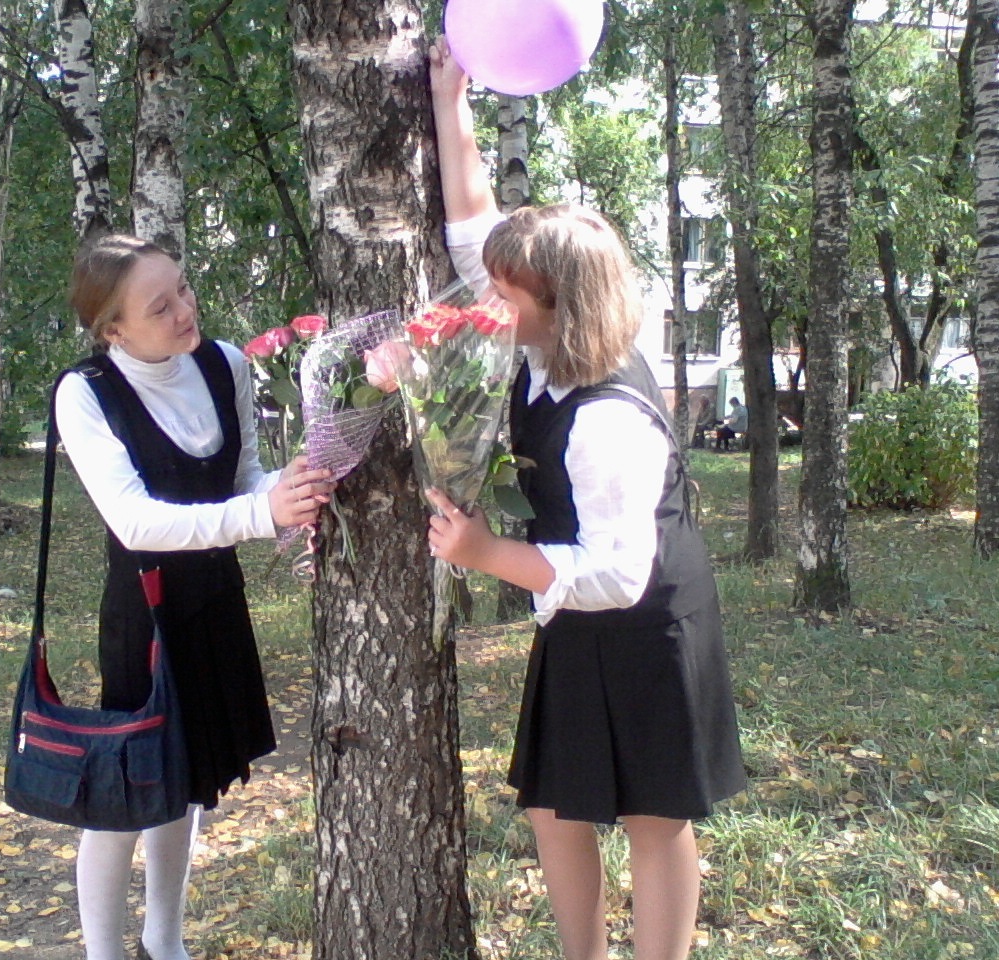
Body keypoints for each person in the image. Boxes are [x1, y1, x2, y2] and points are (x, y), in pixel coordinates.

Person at [425, 41, 745, 960]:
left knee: (653, 814)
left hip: (647, 616)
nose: (486, 300)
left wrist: (487, 556)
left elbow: (617, 574)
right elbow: (472, 231)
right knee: (559, 807)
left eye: (505, 292)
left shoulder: (607, 419)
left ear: (560, 305)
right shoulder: (539, 340)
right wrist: (452, 101)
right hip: (574, 600)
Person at [53, 233, 334, 960]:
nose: (185, 310)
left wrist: (290, 489)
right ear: (114, 330)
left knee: (188, 782)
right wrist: (261, 513)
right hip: (144, 615)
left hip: (215, 602)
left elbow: (243, 480)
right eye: (160, 306)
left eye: (182, 287)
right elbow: (135, 522)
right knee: (124, 793)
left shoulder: (224, 362)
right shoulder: (86, 392)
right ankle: (103, 954)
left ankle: (165, 941)